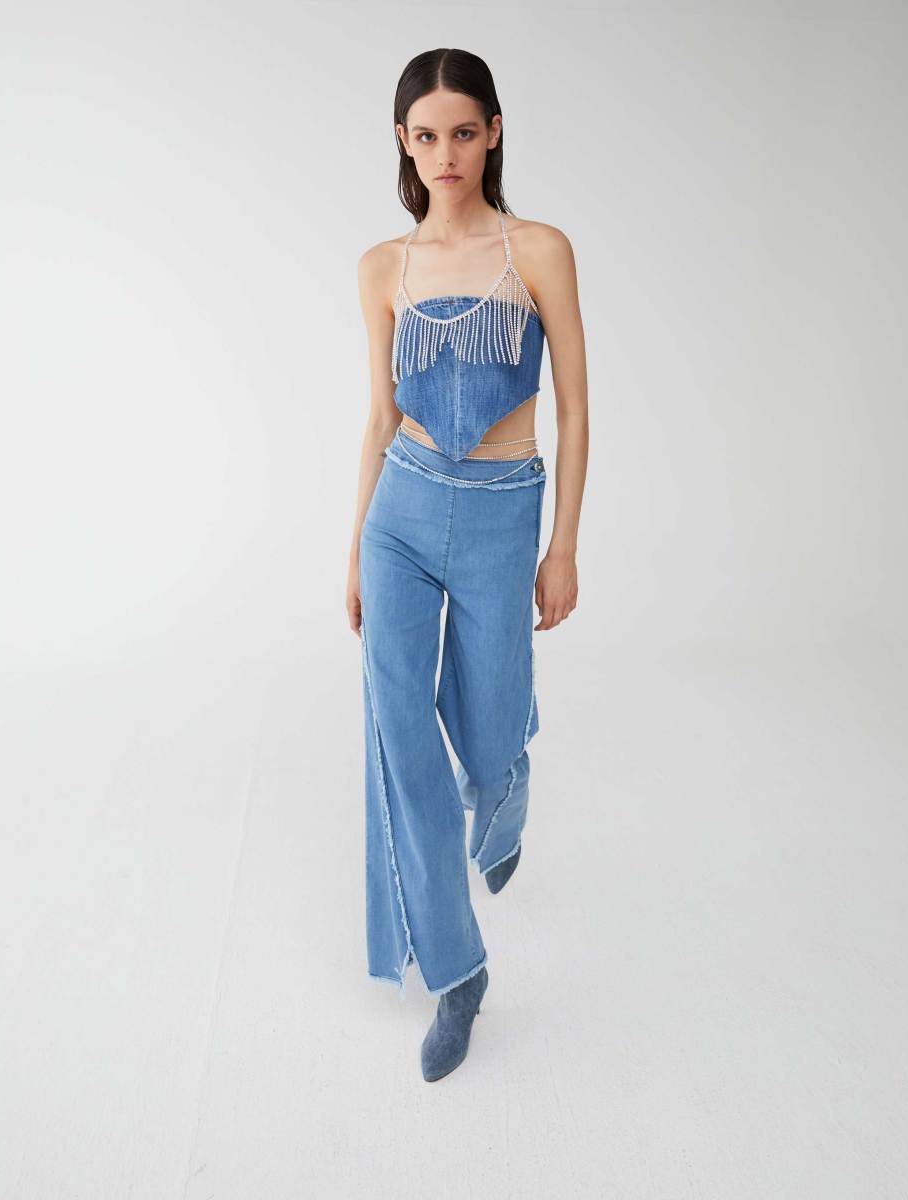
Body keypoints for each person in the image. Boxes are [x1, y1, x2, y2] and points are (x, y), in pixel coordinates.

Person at [345, 48, 588, 1082]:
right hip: (398, 516)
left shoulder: (537, 250)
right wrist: (353, 551)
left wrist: (561, 546)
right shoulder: (381, 267)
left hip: (501, 513)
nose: (443, 152)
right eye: (424, 135)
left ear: (491, 133)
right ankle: (457, 973)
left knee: (486, 736)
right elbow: (378, 418)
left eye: (461, 131)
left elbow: (574, 408)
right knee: (400, 741)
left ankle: (504, 776)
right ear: (403, 144)